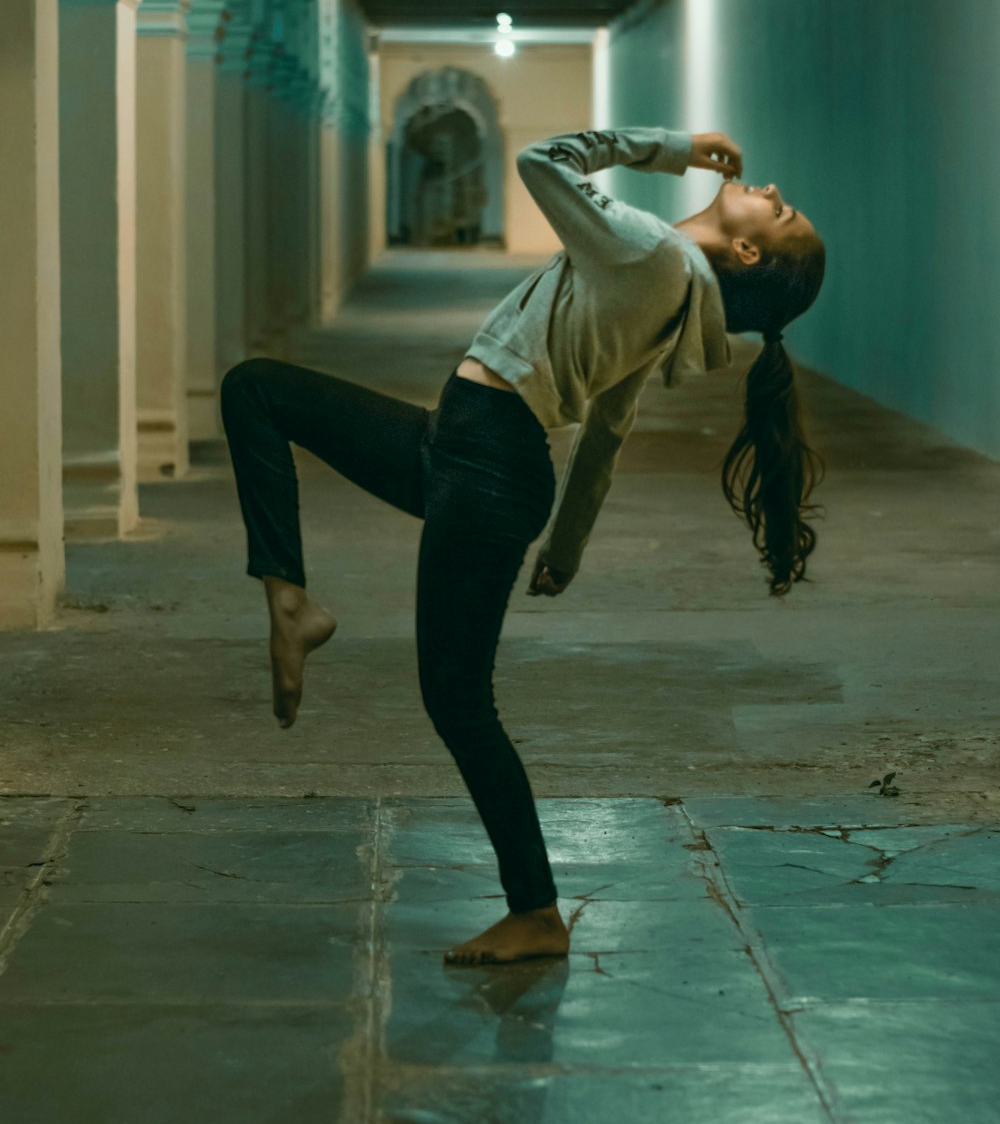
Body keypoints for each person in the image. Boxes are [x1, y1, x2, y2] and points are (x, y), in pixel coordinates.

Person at [220, 126, 827, 967]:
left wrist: (672, 149)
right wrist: (567, 542)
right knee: (256, 391)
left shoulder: (650, 256)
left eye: (780, 209)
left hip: (485, 468)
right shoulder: (668, 292)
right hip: (461, 448)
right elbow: (610, 426)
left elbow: (545, 162)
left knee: (459, 700)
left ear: (751, 253)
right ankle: (289, 595)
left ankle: (536, 912)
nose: (768, 188)